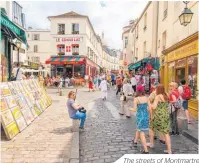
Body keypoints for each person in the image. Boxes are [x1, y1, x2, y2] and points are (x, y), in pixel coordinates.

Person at [149, 84, 172, 154]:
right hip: (166, 115)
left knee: (151, 127)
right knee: (166, 133)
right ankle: (169, 151)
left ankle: (151, 143)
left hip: (158, 116)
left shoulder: (158, 96)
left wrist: (150, 104)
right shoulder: (167, 95)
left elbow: (154, 107)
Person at [132, 85, 149, 154]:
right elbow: (149, 107)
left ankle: (146, 150)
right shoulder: (146, 98)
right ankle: (135, 141)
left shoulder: (136, 99)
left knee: (141, 132)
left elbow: (134, 109)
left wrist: (129, 108)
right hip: (146, 116)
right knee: (138, 129)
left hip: (140, 117)